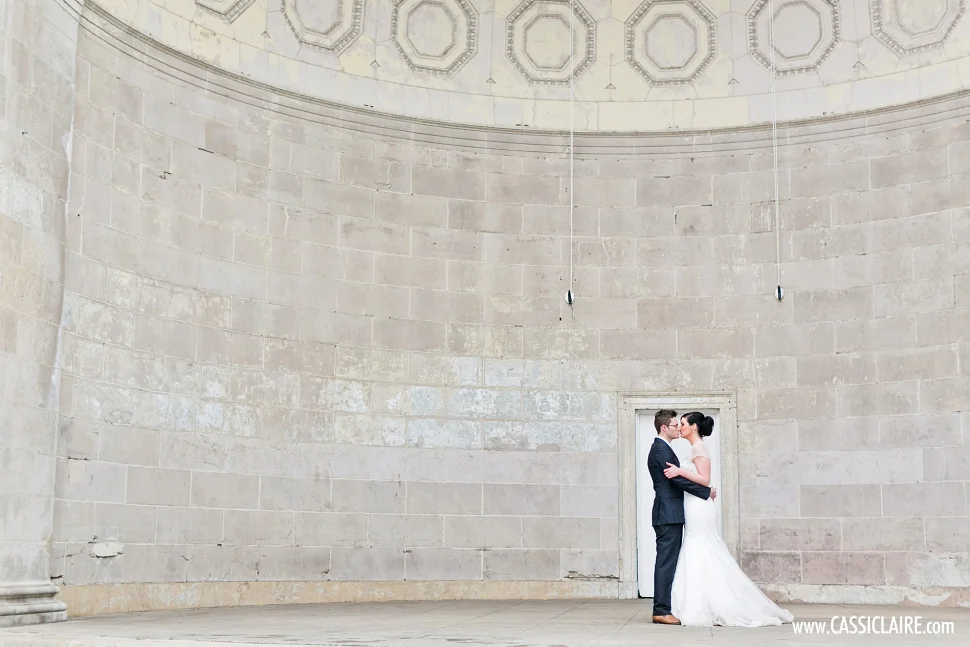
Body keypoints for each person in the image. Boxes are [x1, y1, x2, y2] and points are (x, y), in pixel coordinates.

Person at [665, 411, 795, 627]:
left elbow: (704, 479)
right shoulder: (695, 447)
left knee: (701, 546)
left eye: (683, 424)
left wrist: (680, 471)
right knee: (696, 546)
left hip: (699, 506)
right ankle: (702, 600)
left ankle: (710, 603)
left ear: (694, 427)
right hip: (694, 503)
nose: (680, 427)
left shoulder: (699, 448)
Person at [646, 410, 714, 625]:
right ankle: (661, 610)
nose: (678, 428)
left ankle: (667, 607)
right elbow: (676, 480)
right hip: (667, 514)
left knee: (668, 561)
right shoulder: (660, 449)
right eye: (675, 425)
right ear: (664, 428)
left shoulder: (664, 448)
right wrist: (706, 492)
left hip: (671, 512)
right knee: (666, 562)